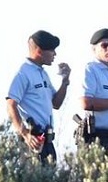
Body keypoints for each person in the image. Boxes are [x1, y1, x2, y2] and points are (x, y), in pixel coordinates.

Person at [7, 30, 71, 163]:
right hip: (33, 142)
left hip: (47, 143)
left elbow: (56, 103)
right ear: (40, 51)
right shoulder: (24, 73)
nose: (55, 54)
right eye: (52, 50)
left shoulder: (43, 74)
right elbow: (10, 104)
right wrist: (25, 134)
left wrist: (65, 81)